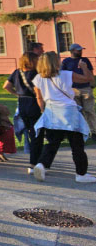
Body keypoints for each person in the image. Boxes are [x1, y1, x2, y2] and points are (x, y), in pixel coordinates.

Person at [32, 52, 96, 183]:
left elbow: (39, 98)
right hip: (69, 113)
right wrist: (83, 66)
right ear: (55, 62)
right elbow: (89, 79)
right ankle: (81, 173)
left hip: (52, 112)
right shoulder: (67, 74)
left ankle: (42, 164)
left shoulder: (38, 78)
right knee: (77, 144)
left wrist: (43, 110)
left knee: (52, 143)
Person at [3, 53, 43, 173]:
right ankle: (34, 162)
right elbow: (38, 92)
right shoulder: (35, 74)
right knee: (37, 134)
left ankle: (35, 161)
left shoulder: (17, 72)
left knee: (31, 132)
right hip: (34, 103)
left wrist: (17, 94)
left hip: (22, 103)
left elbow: (6, 86)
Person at [60, 44, 96, 138]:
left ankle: (94, 131)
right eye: (78, 50)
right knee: (78, 112)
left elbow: (91, 73)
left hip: (86, 88)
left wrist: (91, 85)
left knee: (89, 110)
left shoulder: (85, 60)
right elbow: (63, 76)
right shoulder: (66, 61)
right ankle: (82, 131)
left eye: (81, 50)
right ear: (72, 51)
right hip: (73, 90)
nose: (80, 52)